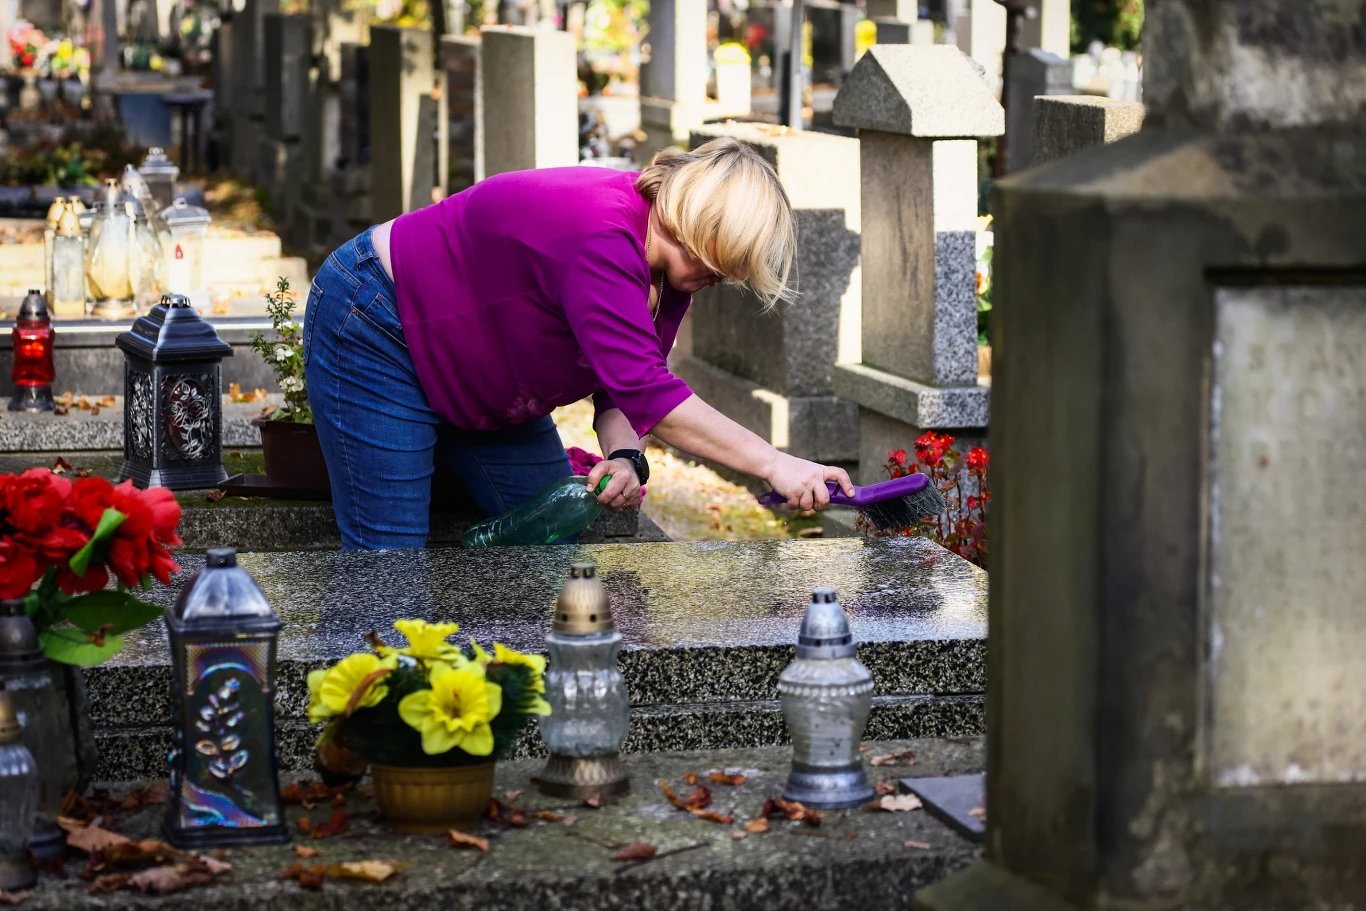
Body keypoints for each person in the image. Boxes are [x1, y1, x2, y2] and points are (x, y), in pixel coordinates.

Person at [303, 137, 854, 550]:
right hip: (379, 324)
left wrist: (624, 456)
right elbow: (651, 395)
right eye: (724, 257)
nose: (725, 276)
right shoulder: (605, 237)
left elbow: (623, 386)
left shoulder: (671, 270)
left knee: (550, 560)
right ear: (699, 220)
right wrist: (774, 463)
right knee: (388, 568)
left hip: (476, 368)